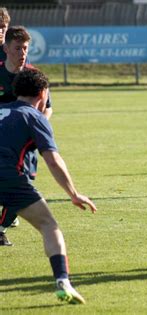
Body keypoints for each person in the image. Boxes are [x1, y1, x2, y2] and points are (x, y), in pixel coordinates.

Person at [0, 68, 97, 303]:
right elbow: (52, 160)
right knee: (49, 225)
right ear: (43, 94)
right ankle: (63, 281)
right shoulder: (35, 117)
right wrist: (73, 193)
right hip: (7, 177)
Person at [0, 26, 54, 243]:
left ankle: (2, 226)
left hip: (23, 141)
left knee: (25, 182)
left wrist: (37, 124)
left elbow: (48, 107)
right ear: (5, 48)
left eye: (25, 48)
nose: (22, 53)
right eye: (17, 48)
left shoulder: (34, 76)